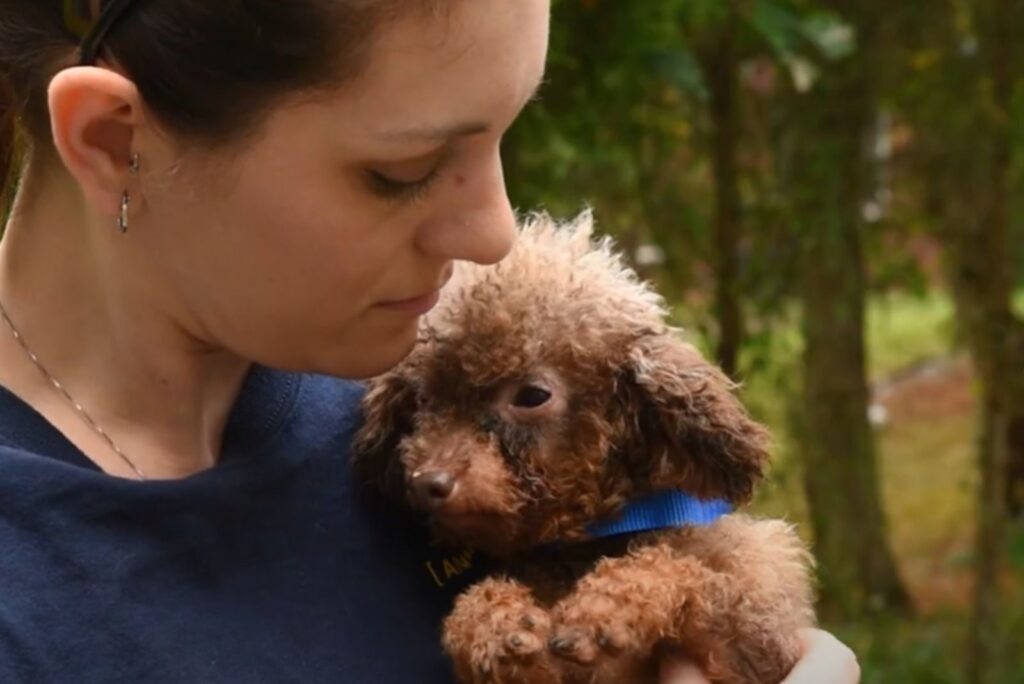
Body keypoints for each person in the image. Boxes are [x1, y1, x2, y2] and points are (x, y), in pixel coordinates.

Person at [0, 1, 860, 682]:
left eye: (501, 133)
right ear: (114, 141)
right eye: (402, 173)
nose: (493, 234)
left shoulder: (424, 382)